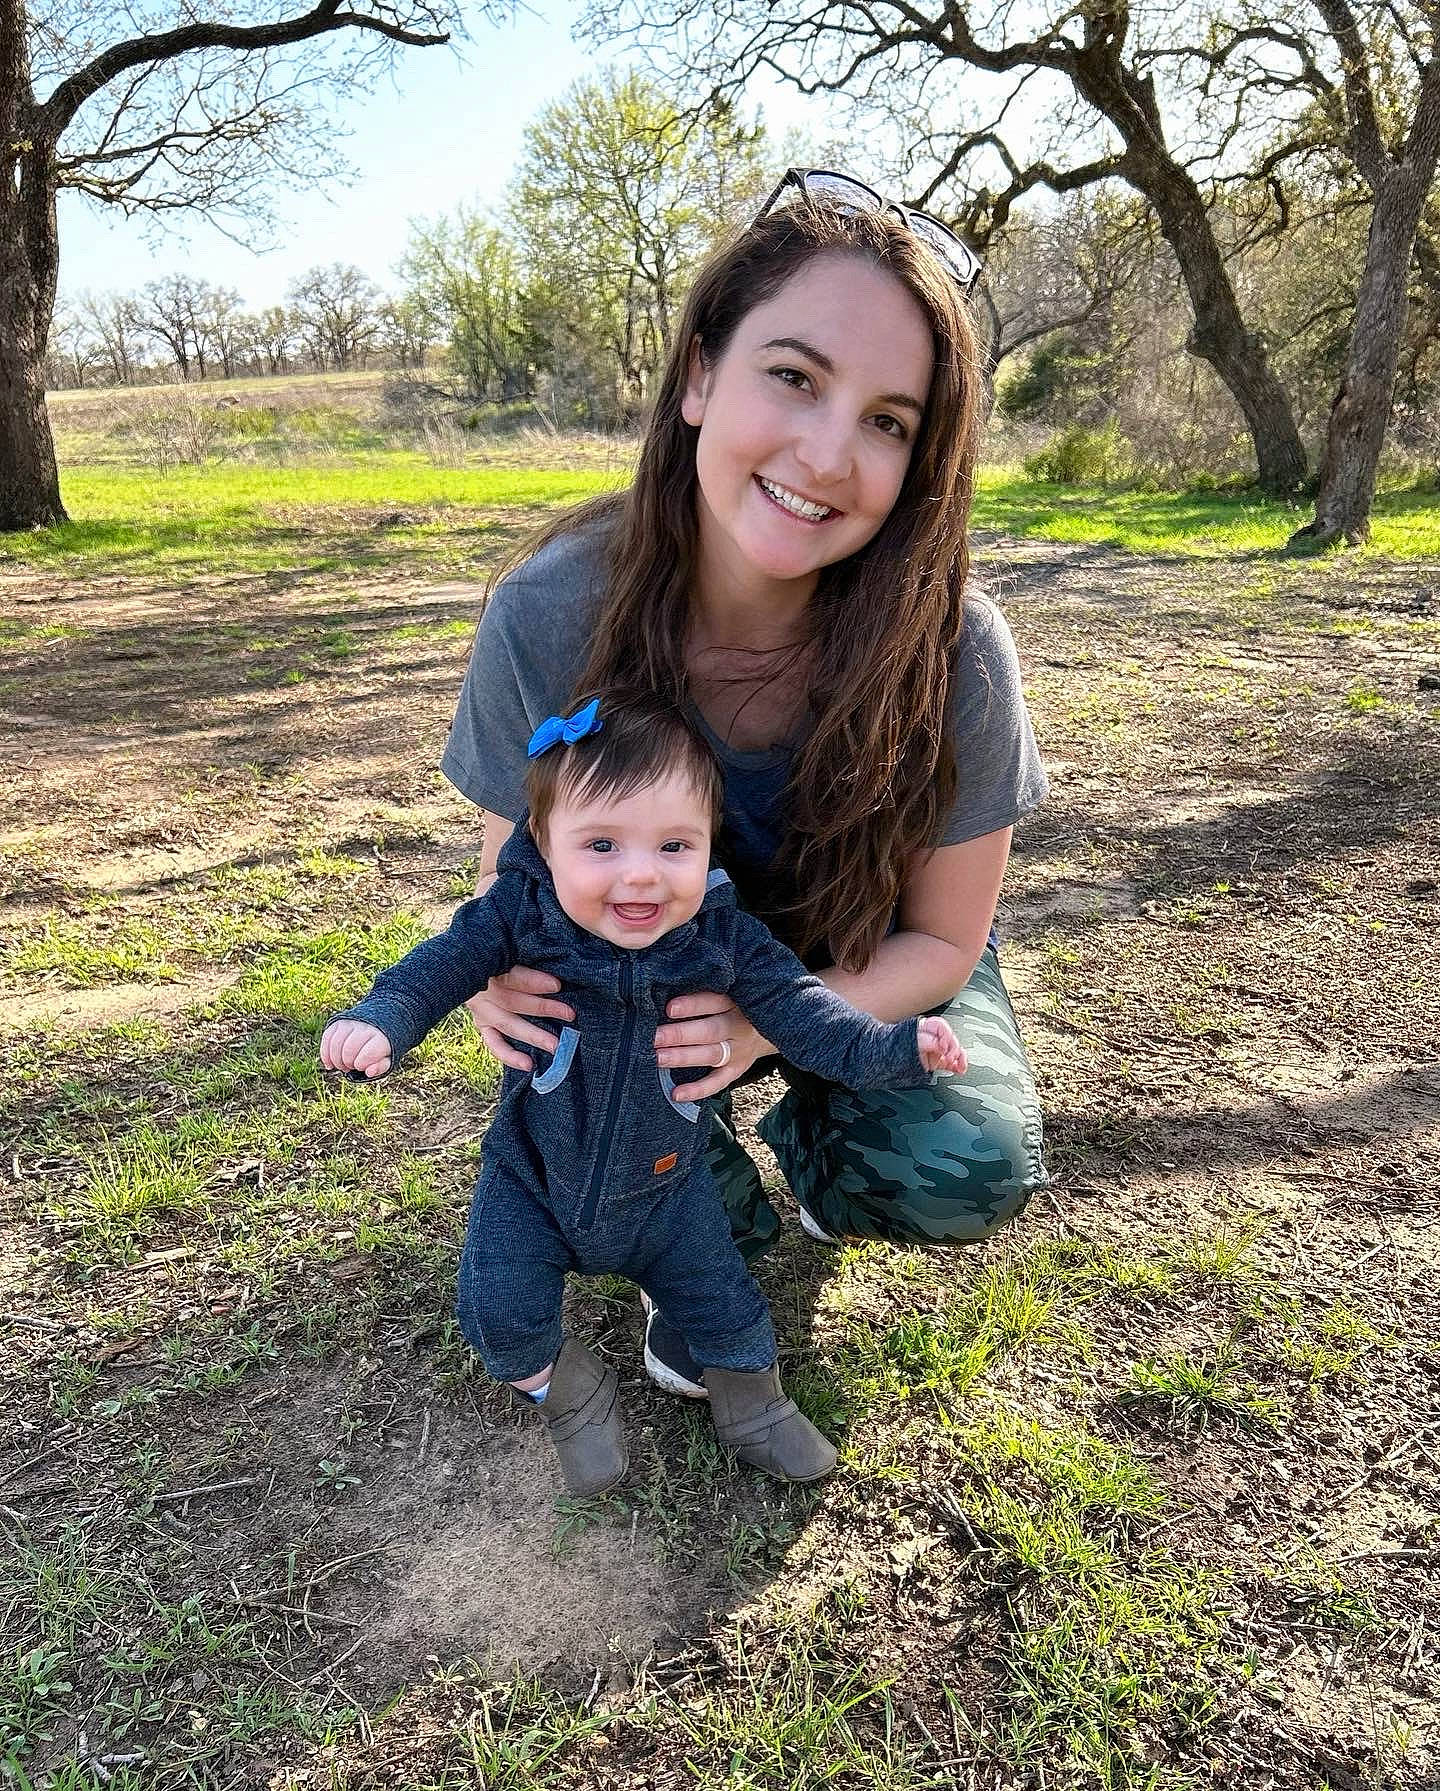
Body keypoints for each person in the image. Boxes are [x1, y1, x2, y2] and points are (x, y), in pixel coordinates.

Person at [440, 169, 1050, 1400]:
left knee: (961, 1161)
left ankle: (823, 1151)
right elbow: (536, 880)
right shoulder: (549, 612)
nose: (830, 454)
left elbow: (941, 936)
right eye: (794, 376)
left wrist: (776, 1022)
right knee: (601, 1178)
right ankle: (693, 1204)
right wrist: (495, 980)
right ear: (700, 374)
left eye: (889, 420)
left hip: (859, 957)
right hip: (651, 975)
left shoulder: (956, 648)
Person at [321, 693, 970, 1495]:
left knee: (729, 1310)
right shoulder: (517, 915)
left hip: (669, 1184)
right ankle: (568, 1392)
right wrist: (381, 1016)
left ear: (709, 847)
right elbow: (439, 965)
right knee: (500, 1314)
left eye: (674, 845)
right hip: (533, 1177)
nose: (640, 874)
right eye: (600, 844)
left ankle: (755, 1409)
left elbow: (812, 1017)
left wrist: (894, 1049)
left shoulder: (723, 935)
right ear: (544, 846)